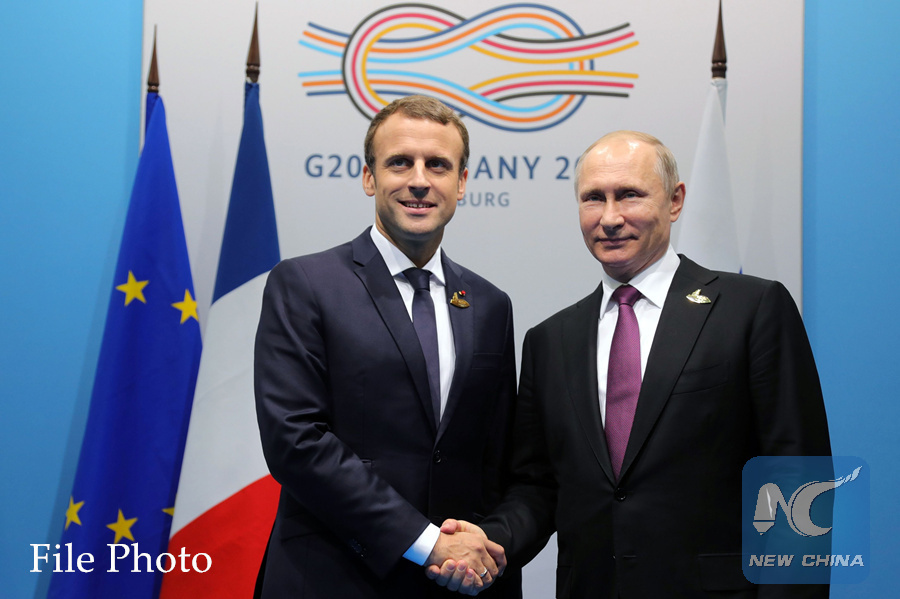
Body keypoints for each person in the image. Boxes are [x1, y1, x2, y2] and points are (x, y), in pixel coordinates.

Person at [430, 130, 831, 597]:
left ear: (675, 201)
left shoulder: (751, 309)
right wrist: (490, 540)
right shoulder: (550, 341)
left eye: (629, 195)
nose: (610, 217)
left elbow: (798, 479)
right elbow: (538, 487)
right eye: (593, 198)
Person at [254, 95, 520, 597]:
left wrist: (479, 550)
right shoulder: (305, 284)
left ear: (462, 182)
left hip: (455, 585)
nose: (419, 180)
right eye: (399, 162)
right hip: (333, 579)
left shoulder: (489, 304)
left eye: (438, 165)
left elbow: (496, 458)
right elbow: (295, 441)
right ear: (369, 177)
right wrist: (424, 542)